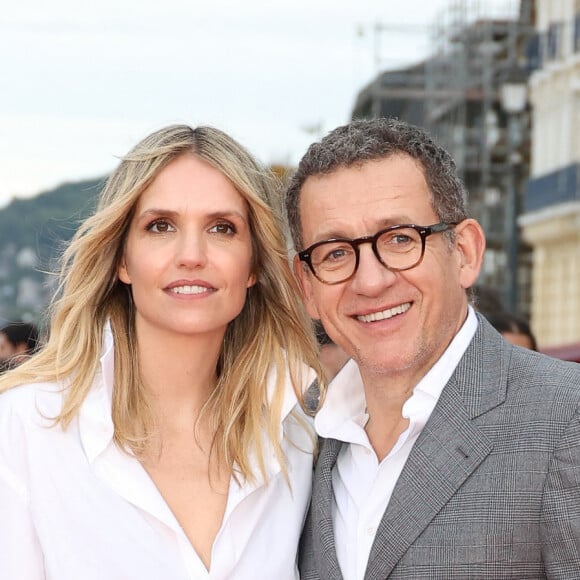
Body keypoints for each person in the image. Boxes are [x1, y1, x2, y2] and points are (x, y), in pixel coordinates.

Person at [0, 124, 323, 580]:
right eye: (161, 226)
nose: (191, 254)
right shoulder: (24, 429)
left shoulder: (292, 440)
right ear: (123, 260)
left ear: (253, 264)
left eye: (222, 228)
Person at [284, 117, 580, 579]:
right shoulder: (296, 437)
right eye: (336, 252)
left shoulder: (566, 418)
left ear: (464, 251)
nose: (371, 280)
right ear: (306, 286)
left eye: (400, 239)